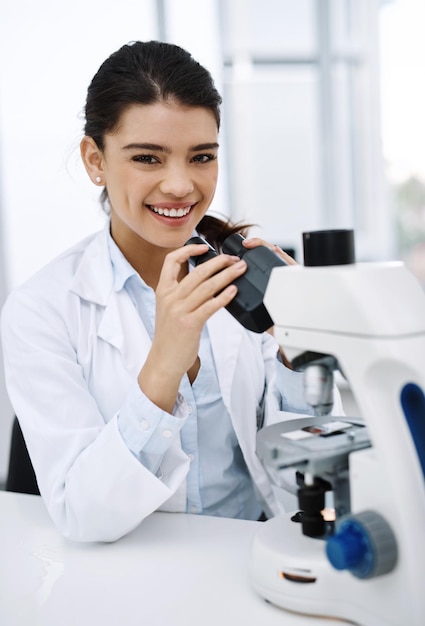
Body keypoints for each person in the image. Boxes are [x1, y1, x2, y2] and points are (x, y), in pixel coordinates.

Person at [1, 41, 343, 542]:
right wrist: (164, 364)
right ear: (95, 159)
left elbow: (306, 487)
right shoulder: (42, 309)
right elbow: (83, 514)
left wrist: (299, 354)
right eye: (147, 158)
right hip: (137, 578)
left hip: (250, 556)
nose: (181, 185)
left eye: (201, 156)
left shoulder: (247, 279)